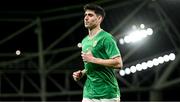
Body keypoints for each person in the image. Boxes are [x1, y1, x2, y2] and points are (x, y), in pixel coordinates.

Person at [72, 3, 123, 102]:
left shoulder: (106, 38)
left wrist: (93, 59)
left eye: (90, 15)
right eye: (85, 15)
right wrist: (82, 73)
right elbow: (91, 65)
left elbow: (118, 63)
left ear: (99, 19)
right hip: (89, 93)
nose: (86, 18)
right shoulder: (84, 41)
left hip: (108, 94)